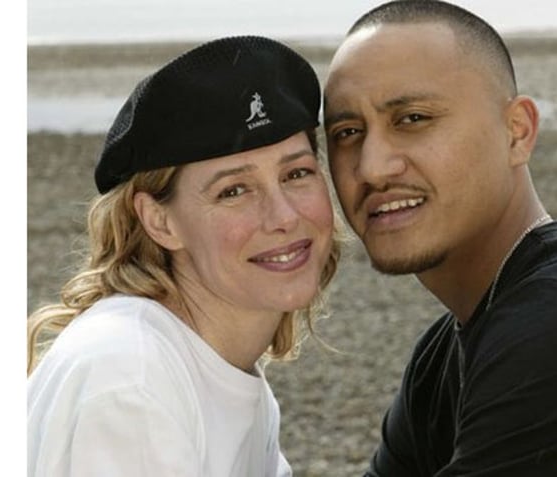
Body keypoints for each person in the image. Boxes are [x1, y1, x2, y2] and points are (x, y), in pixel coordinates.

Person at [322, 1, 557, 475]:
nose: (372, 167)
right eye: (348, 131)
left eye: (413, 118)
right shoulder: (440, 360)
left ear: (517, 133)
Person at [27, 36, 341, 477]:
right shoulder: (133, 382)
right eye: (233, 190)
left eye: (296, 173)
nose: (284, 217)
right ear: (160, 221)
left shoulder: (209, 365)